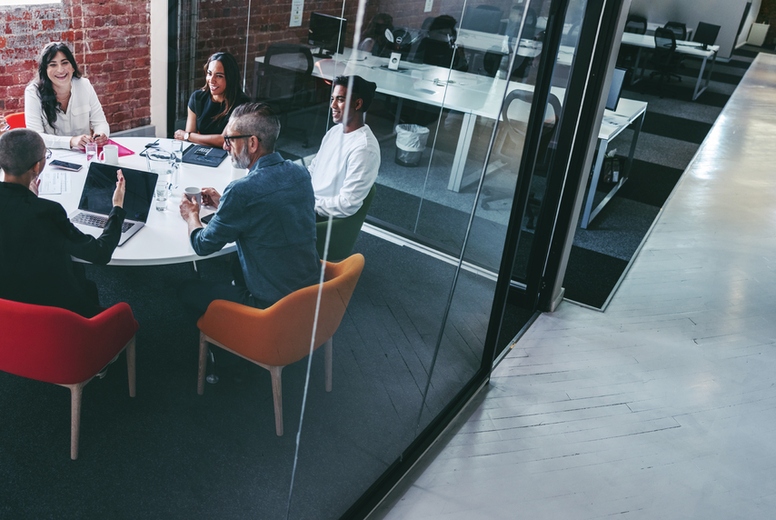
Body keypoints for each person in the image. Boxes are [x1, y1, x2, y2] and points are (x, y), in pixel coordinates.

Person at [178, 103, 320, 316]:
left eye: (230, 140)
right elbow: (270, 209)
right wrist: (222, 203)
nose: (225, 147)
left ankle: (223, 345)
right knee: (236, 263)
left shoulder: (241, 191)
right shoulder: (300, 173)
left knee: (185, 290)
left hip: (271, 306)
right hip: (312, 294)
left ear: (252, 143)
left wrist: (192, 216)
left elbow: (202, 245)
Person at [0, 129, 126, 318]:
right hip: (56, 314)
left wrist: (30, 199)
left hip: (7, 307)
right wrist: (117, 207)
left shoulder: (36, 208)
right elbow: (100, 253)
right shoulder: (48, 212)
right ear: (36, 167)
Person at [308, 75, 380, 219]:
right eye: (332, 99)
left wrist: (309, 205)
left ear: (358, 104)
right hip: (309, 203)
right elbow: (313, 169)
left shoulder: (364, 148)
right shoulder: (334, 131)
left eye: (340, 99)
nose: (332, 105)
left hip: (321, 215)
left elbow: (347, 203)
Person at [24, 42, 110, 150]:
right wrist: (71, 141)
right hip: (51, 158)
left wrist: (101, 134)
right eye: (53, 65)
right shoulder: (33, 92)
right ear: (45, 70)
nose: (60, 70)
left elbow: (100, 122)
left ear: (73, 67)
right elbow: (35, 137)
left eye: (64, 63)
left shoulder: (84, 85)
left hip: (84, 155)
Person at [173, 51, 249, 149]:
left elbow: (224, 140)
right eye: (209, 73)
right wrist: (190, 137)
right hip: (201, 151)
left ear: (230, 78)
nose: (211, 80)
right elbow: (189, 141)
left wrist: (188, 136)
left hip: (230, 155)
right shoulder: (198, 98)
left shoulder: (242, 104)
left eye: (219, 76)